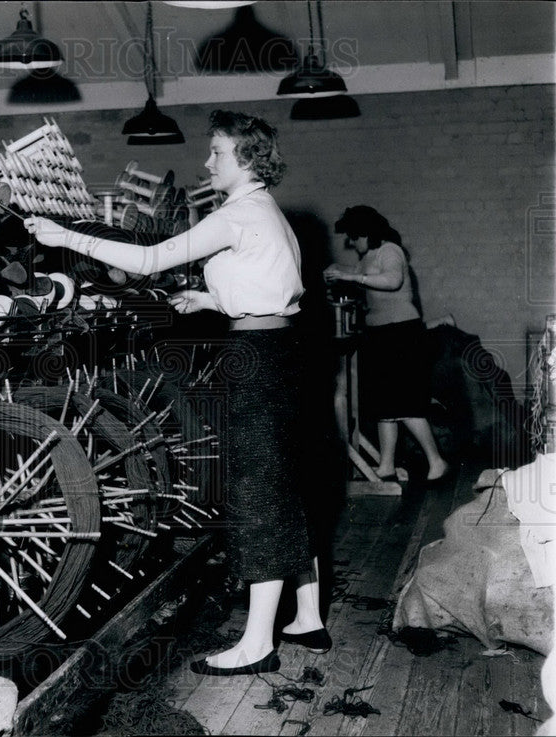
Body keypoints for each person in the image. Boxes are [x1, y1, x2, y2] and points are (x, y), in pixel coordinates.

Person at [23, 109, 329, 676]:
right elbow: (280, 288)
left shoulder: (238, 214)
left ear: (244, 157)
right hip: (280, 350)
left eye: (215, 152)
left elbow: (148, 260)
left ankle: (257, 644)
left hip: (258, 361)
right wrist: (212, 301)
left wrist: (62, 234)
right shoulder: (268, 213)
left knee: (256, 489)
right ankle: (307, 615)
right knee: (281, 482)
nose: (205, 162)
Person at [323, 205, 450, 482]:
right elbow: (359, 274)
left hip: (401, 333)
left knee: (404, 404)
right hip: (380, 334)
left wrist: (350, 276)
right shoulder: (367, 255)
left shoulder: (390, 250)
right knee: (384, 406)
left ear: (366, 232)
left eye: (354, 237)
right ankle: (386, 465)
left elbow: (392, 281)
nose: (352, 243)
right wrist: (337, 270)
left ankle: (437, 461)